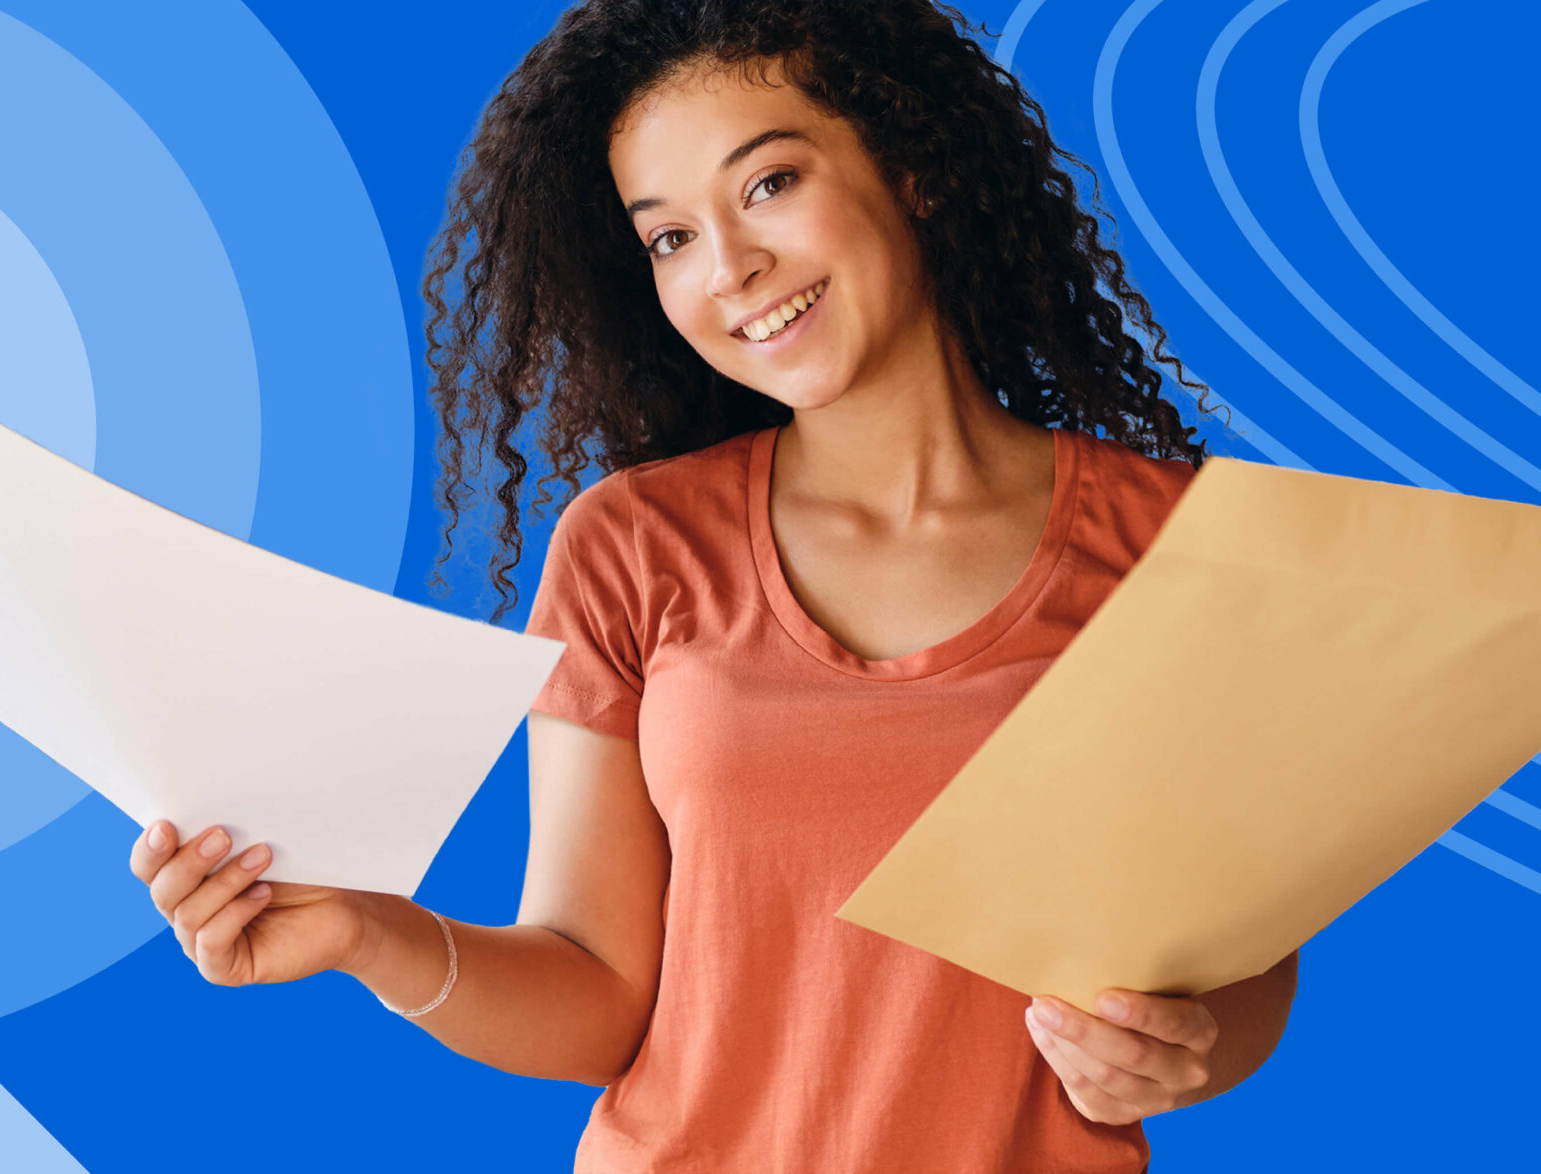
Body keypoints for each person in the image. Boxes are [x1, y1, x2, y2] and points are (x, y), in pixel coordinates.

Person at [126, 1, 1299, 1169]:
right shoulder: (631, 548)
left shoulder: (1176, 545)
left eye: (769, 183)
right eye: (670, 238)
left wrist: (1182, 1052)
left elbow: (1245, 974)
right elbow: (598, 997)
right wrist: (365, 933)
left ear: (915, 169)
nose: (729, 267)